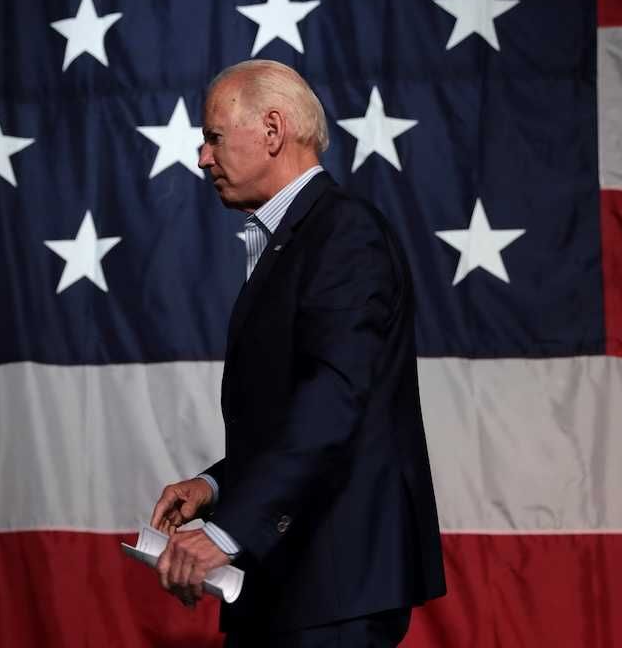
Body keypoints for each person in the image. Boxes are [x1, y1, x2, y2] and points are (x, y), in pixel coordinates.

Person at [150, 59, 445, 647]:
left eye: (213, 137)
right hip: (293, 587)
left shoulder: (343, 233)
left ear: (272, 130)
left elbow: (334, 402)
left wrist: (228, 533)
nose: (202, 158)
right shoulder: (300, 237)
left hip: (332, 588)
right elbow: (298, 414)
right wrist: (215, 488)